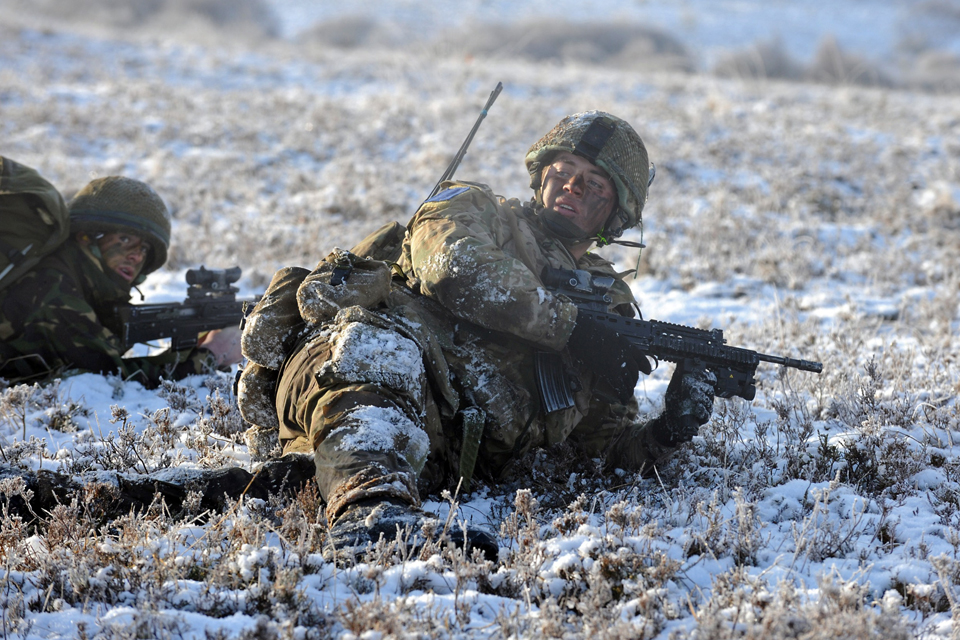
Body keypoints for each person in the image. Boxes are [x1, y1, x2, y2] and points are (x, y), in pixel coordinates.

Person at [268, 111, 717, 560]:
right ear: (541, 177)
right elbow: (453, 267)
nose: (572, 188)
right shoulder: (474, 208)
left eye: (594, 185)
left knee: (321, 473)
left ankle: (296, 482)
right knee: (383, 348)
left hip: (430, 445)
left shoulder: (605, 305)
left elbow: (599, 449)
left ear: (616, 213)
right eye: (563, 172)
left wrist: (669, 431)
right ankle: (369, 513)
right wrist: (568, 326)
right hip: (340, 370)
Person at [0, 175, 242, 388]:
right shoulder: (50, 287)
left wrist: (193, 349)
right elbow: (118, 377)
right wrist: (214, 353)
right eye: (125, 239)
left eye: (145, 248)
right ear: (87, 235)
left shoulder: (79, 282)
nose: (137, 255)